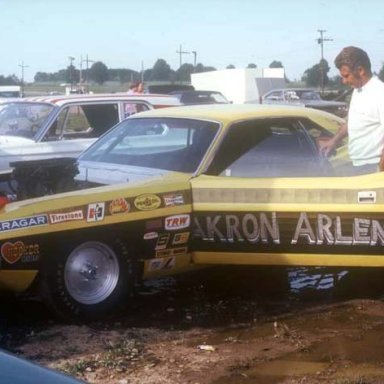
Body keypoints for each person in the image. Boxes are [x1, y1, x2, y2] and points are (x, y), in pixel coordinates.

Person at [321, 46, 384, 175]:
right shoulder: (357, 90)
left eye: (346, 75)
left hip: (373, 167)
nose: (344, 81)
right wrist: (334, 141)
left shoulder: (379, 93)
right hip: (358, 164)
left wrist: (380, 172)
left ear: (360, 70)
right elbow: (352, 123)